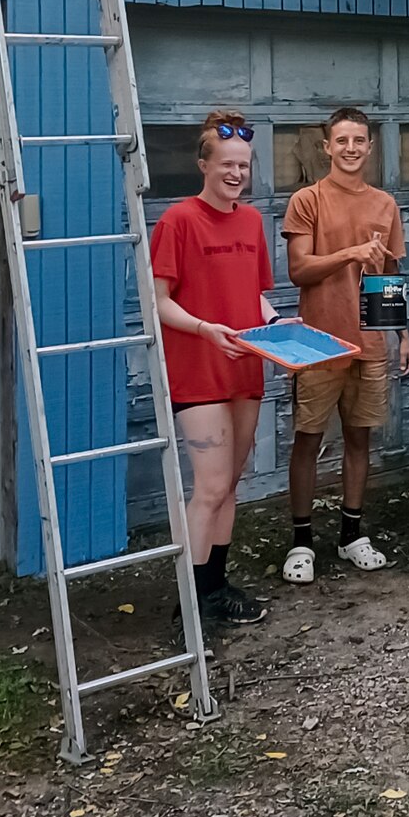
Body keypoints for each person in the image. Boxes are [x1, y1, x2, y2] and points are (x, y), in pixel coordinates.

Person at [281, 107, 409, 584]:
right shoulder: (307, 200)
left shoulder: (384, 204)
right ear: (327, 147)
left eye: (359, 140)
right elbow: (299, 270)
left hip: (370, 344)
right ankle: (301, 542)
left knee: (360, 439)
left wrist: (400, 334)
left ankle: (352, 535)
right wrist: (349, 253)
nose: (351, 148)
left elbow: (387, 278)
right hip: (317, 344)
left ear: (370, 145)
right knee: (309, 440)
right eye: (342, 141)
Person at [148, 110, 273, 628]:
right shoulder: (177, 220)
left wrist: (281, 325)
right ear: (203, 164)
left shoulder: (251, 221)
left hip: (245, 369)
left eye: (243, 165)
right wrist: (204, 329)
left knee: (232, 483)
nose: (235, 173)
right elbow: (158, 302)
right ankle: (190, 602)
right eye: (226, 164)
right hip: (199, 371)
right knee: (211, 485)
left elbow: (259, 297)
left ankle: (216, 586)